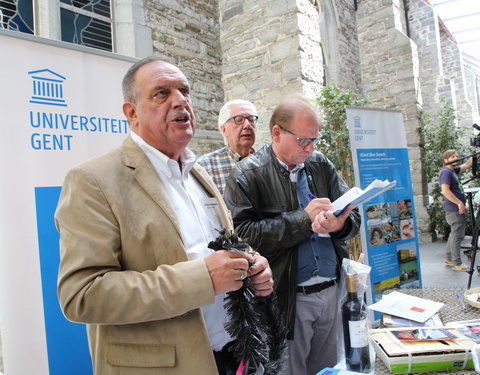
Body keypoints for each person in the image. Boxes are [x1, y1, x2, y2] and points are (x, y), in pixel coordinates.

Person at [55, 56, 274, 375]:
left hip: (231, 354)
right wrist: (203, 278)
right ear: (131, 113)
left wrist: (252, 262)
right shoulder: (93, 179)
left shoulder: (197, 173)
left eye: (184, 91)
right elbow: (82, 294)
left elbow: (221, 245)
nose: (180, 101)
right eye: (161, 93)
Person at [223, 94, 361, 375]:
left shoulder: (320, 164)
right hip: (288, 299)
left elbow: (352, 213)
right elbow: (242, 237)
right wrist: (303, 220)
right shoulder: (247, 174)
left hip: (331, 291)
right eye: (303, 140)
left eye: (314, 140)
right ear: (276, 132)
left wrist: (340, 226)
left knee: (328, 370)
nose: (310, 148)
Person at [197, 99, 258, 194]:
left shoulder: (268, 163)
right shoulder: (206, 166)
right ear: (224, 129)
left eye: (251, 119)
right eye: (238, 120)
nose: (247, 125)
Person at [439, 149, 473, 271]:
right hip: (454, 209)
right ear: (446, 159)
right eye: (452, 156)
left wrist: (477, 153)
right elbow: (445, 191)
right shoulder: (446, 173)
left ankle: (449, 259)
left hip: (454, 208)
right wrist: (459, 204)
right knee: (457, 236)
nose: (456, 157)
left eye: (457, 156)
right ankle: (457, 263)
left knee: (454, 234)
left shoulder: (453, 170)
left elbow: (468, 164)